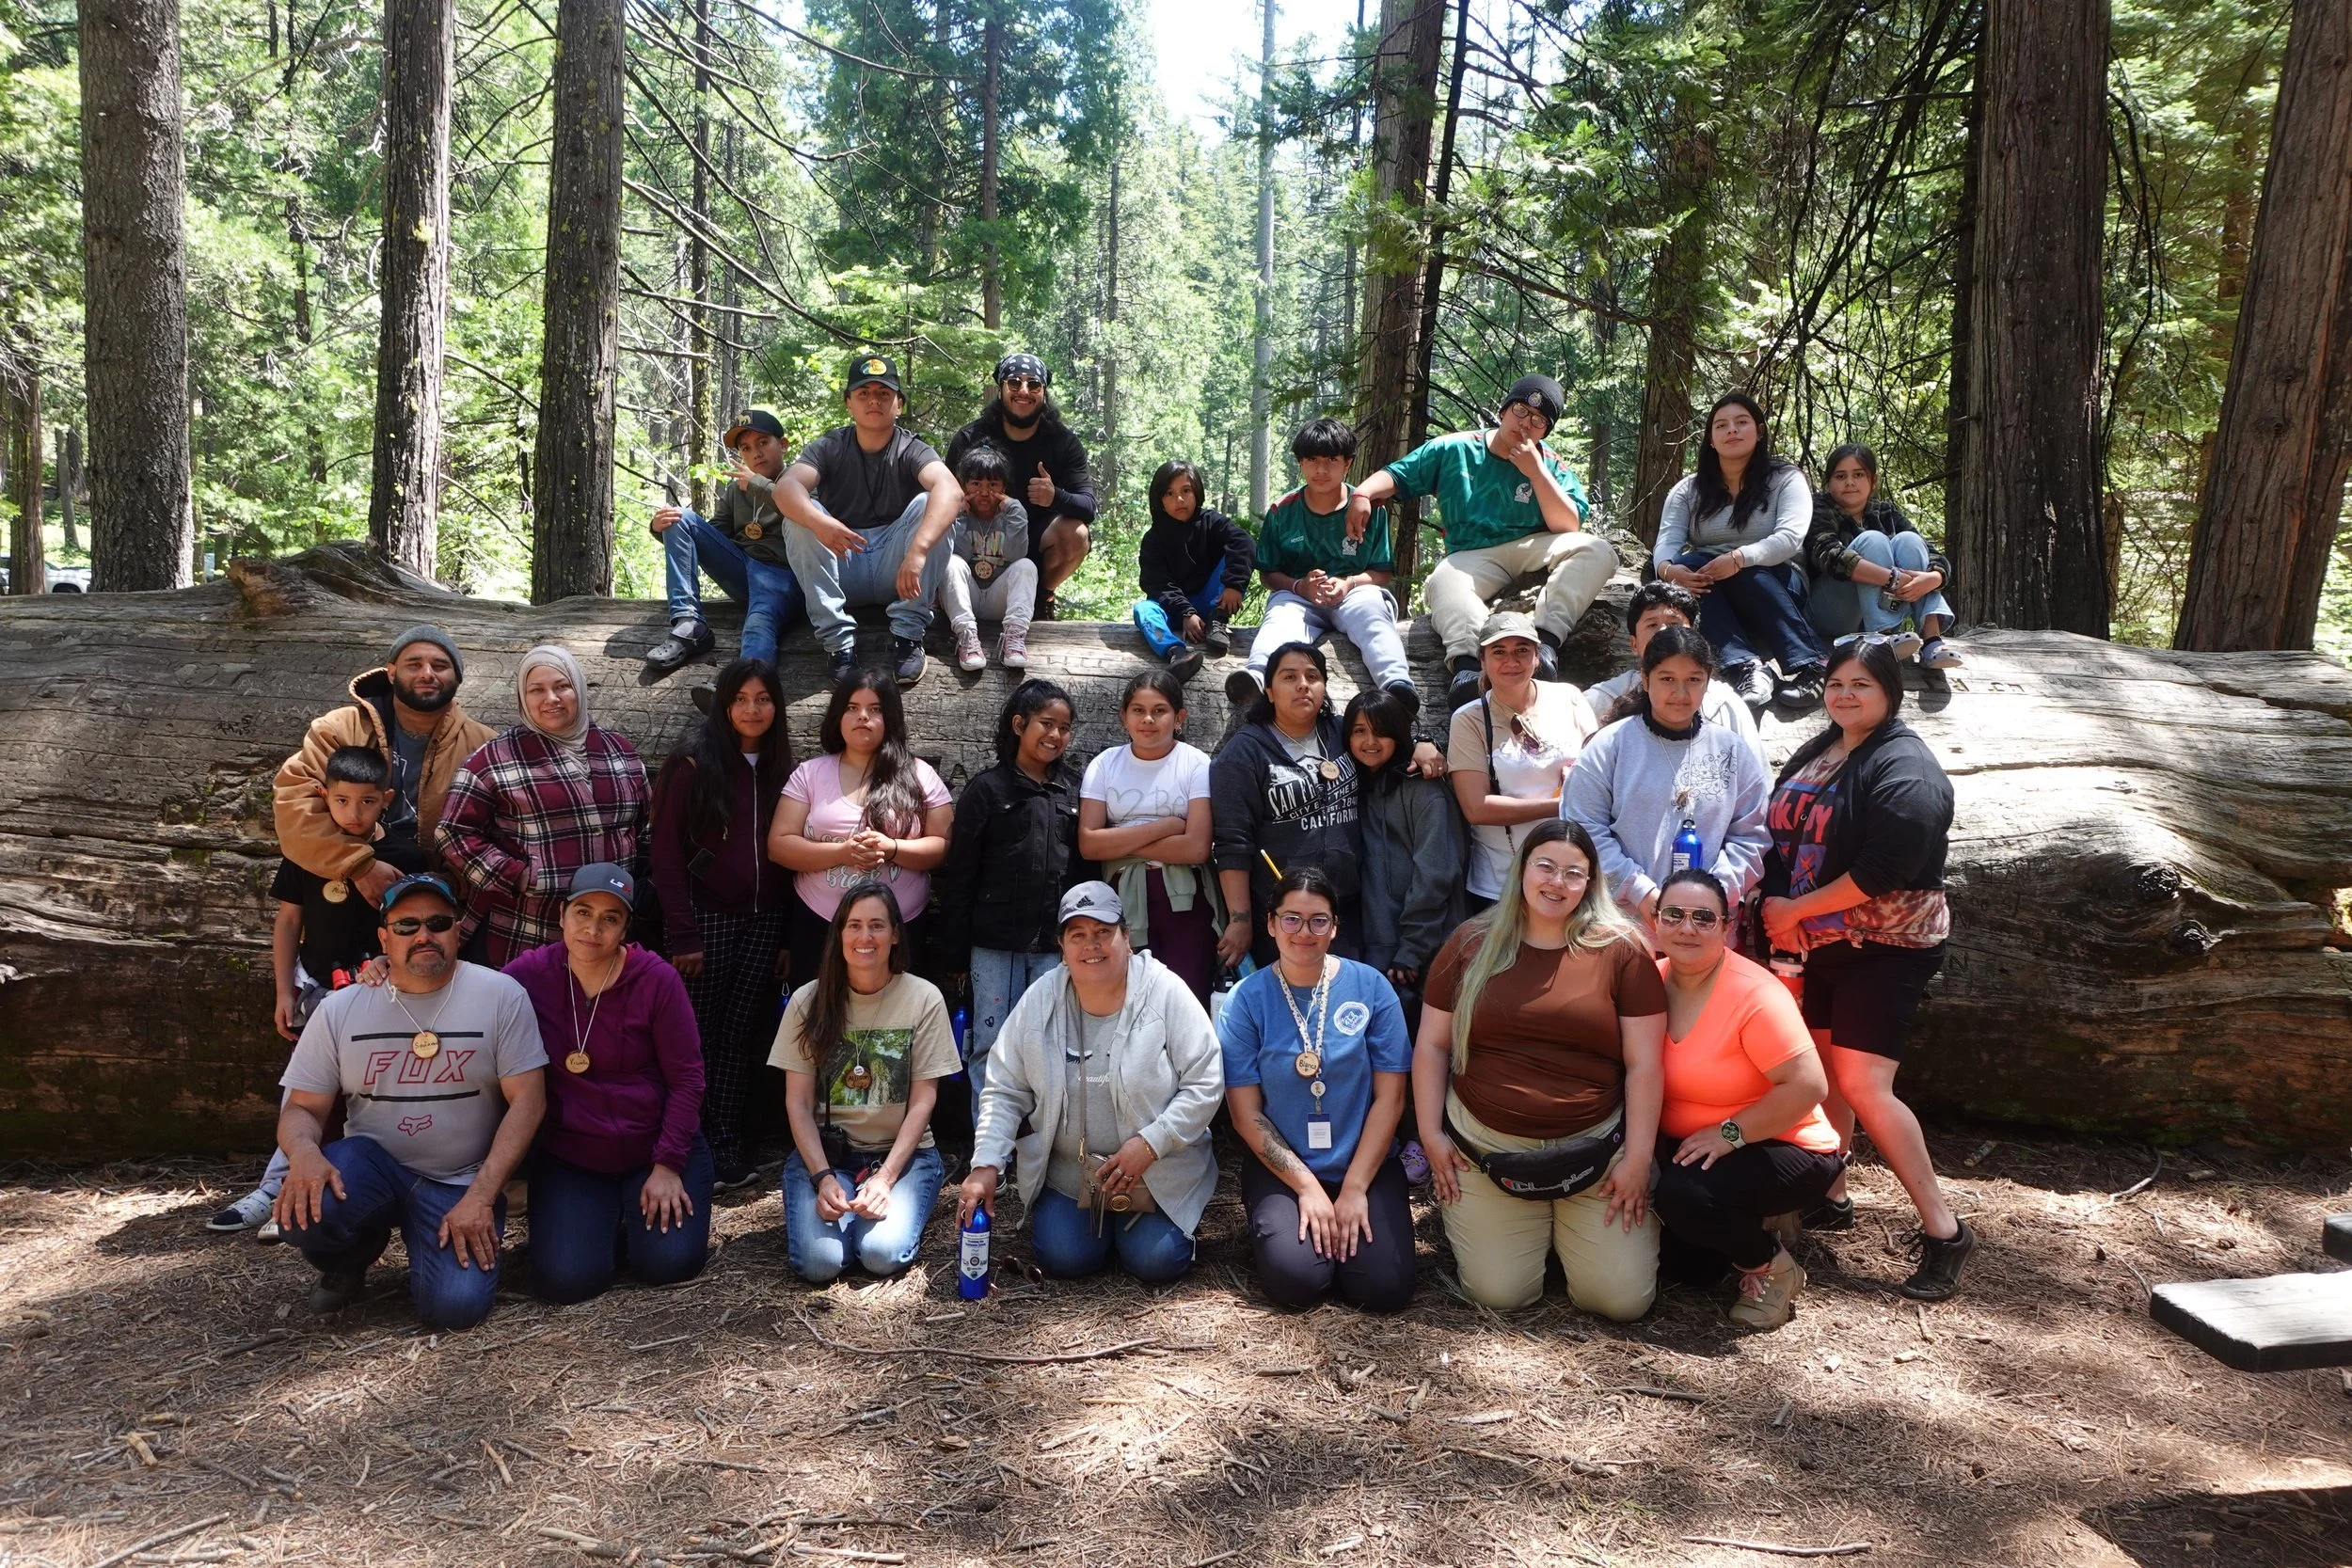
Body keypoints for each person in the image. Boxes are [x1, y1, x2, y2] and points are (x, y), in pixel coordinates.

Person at [1759, 638, 1974, 1300]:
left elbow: (1887, 867)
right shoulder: (1827, 746)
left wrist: (1795, 907)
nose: (1846, 694)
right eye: (1837, 682)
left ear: (1891, 692)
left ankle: (1945, 1231)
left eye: (1863, 685)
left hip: (1886, 947)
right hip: (1822, 943)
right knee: (1826, 1075)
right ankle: (1831, 1189)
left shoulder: (1905, 765)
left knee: (1864, 1083)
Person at [1413, 820, 1665, 1319]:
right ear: (1521, 870)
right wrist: (1430, 1134)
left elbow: (1645, 1064)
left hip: (1596, 1150)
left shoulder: (1622, 949)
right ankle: (1529, 1236)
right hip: (1487, 1149)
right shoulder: (1470, 943)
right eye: (1545, 866)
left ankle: (1568, 1238)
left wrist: (1637, 1158)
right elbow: (1432, 1046)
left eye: (1575, 873)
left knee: (1620, 1303)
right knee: (1500, 1296)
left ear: (1591, 882)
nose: (1557, 882)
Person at [272, 874, 548, 1327]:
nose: (424, 935)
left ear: (457, 930)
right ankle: (350, 1259)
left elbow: (529, 1103)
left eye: (438, 923)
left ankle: (439, 1243)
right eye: (406, 925)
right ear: (383, 936)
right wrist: (303, 1155)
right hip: (372, 1167)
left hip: (461, 1183)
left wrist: (482, 1195)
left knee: (454, 1311)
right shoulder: (342, 1008)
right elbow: (302, 1107)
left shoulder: (501, 995)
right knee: (304, 1215)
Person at [210, 748, 431, 1235]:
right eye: (342, 801)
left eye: (368, 802)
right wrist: (283, 990)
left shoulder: (404, 856)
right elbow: (289, 921)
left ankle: (323, 1190)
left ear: (387, 800)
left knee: (357, 1096)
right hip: (316, 988)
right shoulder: (306, 851)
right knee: (305, 1089)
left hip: (381, 993)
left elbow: (414, 928)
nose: (354, 814)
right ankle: (276, 1188)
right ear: (321, 797)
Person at [960, 883, 1223, 1283]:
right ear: (1062, 946)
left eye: (1103, 932)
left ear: (1126, 937)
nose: (1091, 946)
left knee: (1156, 1263)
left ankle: (1156, 1224)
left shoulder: (1165, 990)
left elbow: (1206, 1080)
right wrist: (986, 1163)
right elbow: (1004, 1086)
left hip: (1156, 1172)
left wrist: (1153, 1142)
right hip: (1071, 1177)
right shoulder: (1041, 999)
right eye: (1077, 935)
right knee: (1065, 1260)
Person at [1648, 867, 1844, 1330]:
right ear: (1655, 921)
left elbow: (1809, 1085)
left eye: (1703, 917)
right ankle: (1749, 1221)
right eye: (1673, 915)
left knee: (1685, 1196)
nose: (1687, 927)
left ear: (1727, 925)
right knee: (1690, 1271)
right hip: (1693, 1148)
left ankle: (1774, 1266)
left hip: (1784, 1143)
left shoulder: (1753, 993)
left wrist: (1730, 1133)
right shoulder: (1647, 982)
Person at [506, 864, 712, 1304]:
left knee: (668, 1264)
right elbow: (464, 991)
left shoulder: (657, 979)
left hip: (651, 1148)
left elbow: (688, 1079)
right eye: (583, 912)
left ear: (625, 928)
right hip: (573, 1156)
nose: (593, 929)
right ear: (562, 916)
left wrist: (669, 1165)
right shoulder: (529, 975)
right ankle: (599, 1221)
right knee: (567, 1282)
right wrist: (388, 967)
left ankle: (628, 1219)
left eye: (610, 918)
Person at [1346, 374, 1616, 707]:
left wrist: (1536, 472)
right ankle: (1469, 669)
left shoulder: (1551, 463)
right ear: (1503, 411)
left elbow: (1568, 524)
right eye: (1520, 410)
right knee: (1445, 580)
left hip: (1535, 545)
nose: (1525, 424)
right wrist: (1362, 493)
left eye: (1538, 420)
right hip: (1472, 554)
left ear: (1545, 431)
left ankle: (1545, 646)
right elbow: (1398, 475)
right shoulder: (1455, 448)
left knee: (1598, 551)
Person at [1220, 868, 1416, 1312]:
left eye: (1318, 920)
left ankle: (1352, 1235)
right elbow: (1245, 1114)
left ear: (1334, 926)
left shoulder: (1371, 988)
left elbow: (1391, 1098)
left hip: (1364, 1163)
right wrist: (1307, 1188)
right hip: (1285, 1169)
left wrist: (1354, 1189)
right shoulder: (1246, 1000)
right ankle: (1300, 1232)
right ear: (1270, 924)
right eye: (1291, 919)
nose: (1303, 932)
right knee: (1298, 1284)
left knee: (1383, 1289)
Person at [647, 657, 793, 1190]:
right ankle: (689, 1144)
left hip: (763, 922)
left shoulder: (782, 768)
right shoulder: (690, 764)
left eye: (762, 699)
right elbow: (663, 856)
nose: (752, 710)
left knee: (738, 1036)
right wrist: (683, 934)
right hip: (704, 921)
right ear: (723, 706)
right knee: (695, 1037)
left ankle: (726, 1141)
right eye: (740, 699)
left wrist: (783, 935)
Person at [771, 884, 959, 1283]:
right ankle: (840, 1219)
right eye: (854, 925)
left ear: (894, 934)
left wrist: (887, 1178)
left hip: (902, 1159)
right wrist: (821, 1177)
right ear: (839, 934)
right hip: (830, 1157)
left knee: (880, 1254)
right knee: (819, 1265)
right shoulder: (809, 1001)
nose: (865, 937)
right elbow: (798, 1104)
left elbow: (924, 1101)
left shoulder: (924, 998)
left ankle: (885, 1212)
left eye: (877, 925)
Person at [437, 644, 650, 969]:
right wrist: (519, 876)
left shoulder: (619, 751)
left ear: (578, 688)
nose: (551, 698)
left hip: (604, 929)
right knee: (526, 1009)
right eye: (536, 690)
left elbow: (645, 824)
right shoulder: (494, 758)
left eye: (562, 686)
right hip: (527, 925)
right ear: (523, 699)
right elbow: (453, 832)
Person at [935, 680, 1094, 1105]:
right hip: (994, 944)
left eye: (1065, 727)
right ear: (1019, 724)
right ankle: (989, 1155)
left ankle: (1039, 1149)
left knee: (1048, 1043)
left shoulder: (1076, 792)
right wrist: (954, 954)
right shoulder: (987, 790)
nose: (1056, 735)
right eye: (1046, 723)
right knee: (991, 1042)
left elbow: (1086, 871)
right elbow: (960, 873)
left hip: (1053, 945)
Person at [1561, 626, 1772, 941]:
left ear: (1708, 681)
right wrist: (1641, 892)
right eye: (1667, 679)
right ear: (1645, 679)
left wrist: (1710, 897)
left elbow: (1751, 836)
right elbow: (1583, 828)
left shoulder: (1732, 751)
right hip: (1621, 929)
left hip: (1706, 930)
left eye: (1694, 680)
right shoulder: (1610, 747)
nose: (1681, 693)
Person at [273, 626, 495, 910]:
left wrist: (452, 882)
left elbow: (498, 829)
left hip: (441, 901)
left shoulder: (483, 745)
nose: (427, 673)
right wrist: (359, 865)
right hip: (343, 890)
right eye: (413, 665)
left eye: (440, 666)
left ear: (457, 678)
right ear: (391, 673)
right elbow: (294, 801)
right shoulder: (339, 729)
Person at [775, 353, 963, 686]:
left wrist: (918, 551)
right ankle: (838, 644)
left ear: (898, 404)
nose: (873, 400)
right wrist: (820, 523)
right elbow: (785, 488)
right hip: (844, 558)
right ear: (849, 403)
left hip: (900, 571)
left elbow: (950, 489)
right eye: (863, 393)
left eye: (883, 393)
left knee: (930, 503)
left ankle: (907, 635)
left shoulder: (911, 448)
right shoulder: (830, 447)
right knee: (800, 516)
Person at [768, 671, 954, 986]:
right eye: (852, 708)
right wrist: (844, 852)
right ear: (838, 717)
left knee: (890, 1024)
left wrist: (892, 848)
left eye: (875, 709)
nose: (862, 717)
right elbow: (778, 845)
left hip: (900, 928)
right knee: (821, 1019)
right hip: (819, 925)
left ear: (891, 716)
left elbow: (942, 846)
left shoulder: (920, 775)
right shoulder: (809, 774)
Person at [1654, 392, 1830, 713]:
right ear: (1710, 439)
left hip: (1778, 584)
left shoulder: (1785, 479)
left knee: (1744, 571)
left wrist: (1739, 558)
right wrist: (1669, 571)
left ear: (1759, 431)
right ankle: (1747, 668)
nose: (1731, 430)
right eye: (1721, 425)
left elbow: (1790, 538)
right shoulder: (1688, 490)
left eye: (1741, 422)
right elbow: (1667, 542)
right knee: (1690, 563)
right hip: (1715, 591)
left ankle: (1811, 663)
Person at [1230, 417, 1417, 715]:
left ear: (1347, 464)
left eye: (1332, 459)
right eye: (1312, 459)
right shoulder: (1283, 511)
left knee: (1373, 614)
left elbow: (1381, 573)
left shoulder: (1370, 509)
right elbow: (1268, 573)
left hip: (1356, 592)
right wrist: (1299, 586)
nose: (1321, 469)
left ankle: (1397, 685)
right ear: (1300, 463)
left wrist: (1349, 583)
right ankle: (1255, 676)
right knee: (1279, 620)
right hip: (1299, 598)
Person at [1213, 642, 1364, 972]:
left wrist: (1425, 744)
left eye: (1312, 676)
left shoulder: (1345, 732)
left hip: (1349, 909)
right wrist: (1240, 919)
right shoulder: (1244, 753)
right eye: (1289, 677)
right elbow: (1232, 843)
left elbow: (1389, 748)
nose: (1302, 684)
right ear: (1268, 691)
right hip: (1284, 917)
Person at [1079, 668, 1221, 1005]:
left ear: (1179, 717)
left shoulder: (1195, 763)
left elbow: (1197, 848)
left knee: (1186, 1002)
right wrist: (1168, 825)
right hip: (1120, 901)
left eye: (1160, 710)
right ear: (1124, 717)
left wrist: (1118, 839)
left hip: (1185, 903)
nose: (1148, 720)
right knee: (1126, 1002)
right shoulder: (1104, 764)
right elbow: (1089, 844)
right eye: (1138, 711)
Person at [1446, 612, 1601, 913]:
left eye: (1521, 650)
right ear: (1482, 660)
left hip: (1568, 877)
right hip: (1499, 882)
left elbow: (1601, 772)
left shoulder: (1569, 698)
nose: (1511, 661)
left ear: (1537, 657)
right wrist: (1562, 805)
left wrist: (1581, 784)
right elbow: (1476, 807)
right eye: (1499, 652)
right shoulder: (1469, 720)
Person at [643, 409, 809, 675]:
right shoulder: (736, 489)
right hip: (741, 568)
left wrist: (759, 486)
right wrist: (659, 529)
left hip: (783, 577)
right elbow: (712, 534)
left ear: (784, 445)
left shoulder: (803, 478)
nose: (755, 453)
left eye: (763, 443)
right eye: (746, 448)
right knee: (680, 517)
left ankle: (744, 687)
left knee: (758, 625)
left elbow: (812, 520)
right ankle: (688, 621)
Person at [945, 352, 1096, 612]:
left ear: (1044, 392)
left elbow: (1089, 506)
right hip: (974, 542)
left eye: (1033, 384)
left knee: (1077, 533)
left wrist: (1055, 496)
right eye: (1014, 383)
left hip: (1034, 543)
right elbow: (943, 496)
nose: (1023, 391)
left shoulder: (1063, 443)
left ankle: (1042, 597)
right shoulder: (970, 437)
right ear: (1001, 388)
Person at [1343, 689, 1465, 1004]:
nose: (1370, 741)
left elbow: (1435, 873)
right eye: (1360, 731)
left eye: (1381, 731)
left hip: (1427, 947)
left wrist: (1412, 948)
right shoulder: (1356, 784)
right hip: (1376, 946)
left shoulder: (1424, 791)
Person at [1804, 443, 1963, 671]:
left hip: (1873, 608)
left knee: (1910, 540)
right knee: (1873, 540)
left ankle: (1931, 642)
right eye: (1841, 476)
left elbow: (1932, 554)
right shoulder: (1819, 507)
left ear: (1873, 481)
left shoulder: (1886, 512)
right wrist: (1892, 578)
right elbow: (1828, 555)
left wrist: (1932, 579)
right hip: (1829, 611)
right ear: (1829, 482)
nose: (1850, 482)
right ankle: (1884, 636)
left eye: (1858, 475)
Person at [1581, 580, 1761, 751]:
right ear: (1634, 644)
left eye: (1674, 624)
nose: (1663, 632)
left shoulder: (1724, 704)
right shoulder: (1604, 699)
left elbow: (1756, 776)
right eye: (1652, 624)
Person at [1132, 459, 1254, 681]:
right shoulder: (1154, 539)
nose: (1179, 499)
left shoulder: (1211, 522)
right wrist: (1186, 613)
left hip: (1212, 604)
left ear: (1196, 491)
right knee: (1143, 610)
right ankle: (1175, 653)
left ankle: (1218, 623)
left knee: (1236, 551)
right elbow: (1157, 583)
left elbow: (1243, 542)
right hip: (1172, 610)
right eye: (1169, 493)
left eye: (1186, 490)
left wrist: (1234, 584)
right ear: (1159, 500)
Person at [935, 445, 1038, 672]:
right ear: (964, 486)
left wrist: (1017, 514)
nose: (984, 492)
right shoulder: (957, 513)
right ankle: (966, 636)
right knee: (951, 562)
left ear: (1004, 487)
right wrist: (959, 515)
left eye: (992, 485)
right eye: (976, 484)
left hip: (997, 598)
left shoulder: (1011, 515)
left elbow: (1015, 555)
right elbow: (960, 554)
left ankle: (1014, 638)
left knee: (1026, 565)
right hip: (966, 597)